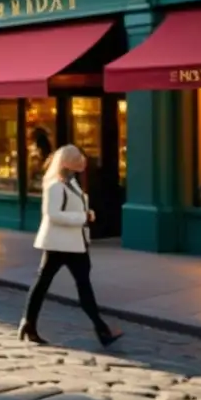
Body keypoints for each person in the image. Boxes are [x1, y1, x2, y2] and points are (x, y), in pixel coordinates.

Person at [18, 144, 123, 347]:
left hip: (74, 243)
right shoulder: (55, 186)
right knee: (53, 284)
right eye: (77, 157)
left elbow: (73, 206)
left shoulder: (71, 182)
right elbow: (53, 214)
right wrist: (82, 216)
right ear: (66, 161)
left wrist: (86, 213)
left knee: (62, 284)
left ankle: (29, 323)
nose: (82, 160)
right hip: (60, 243)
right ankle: (102, 330)